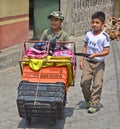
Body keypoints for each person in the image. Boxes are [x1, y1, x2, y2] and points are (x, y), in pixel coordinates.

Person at [79, 11, 110, 113]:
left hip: (99, 63)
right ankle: (88, 99)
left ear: (102, 24)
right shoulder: (88, 34)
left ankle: (94, 103)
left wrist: (96, 55)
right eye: (93, 22)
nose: (94, 25)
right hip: (88, 62)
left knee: (97, 84)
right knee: (84, 82)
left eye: (97, 23)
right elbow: (85, 46)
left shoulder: (104, 36)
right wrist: (82, 60)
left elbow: (107, 51)